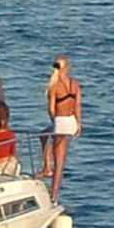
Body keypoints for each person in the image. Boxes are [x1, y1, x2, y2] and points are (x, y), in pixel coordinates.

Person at [41, 54, 82, 200]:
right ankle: (47, 167)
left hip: (60, 121)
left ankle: (54, 194)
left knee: (59, 162)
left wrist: (54, 121)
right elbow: (77, 105)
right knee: (44, 134)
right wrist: (79, 123)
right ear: (67, 68)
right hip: (71, 121)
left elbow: (51, 109)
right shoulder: (75, 84)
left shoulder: (55, 87)